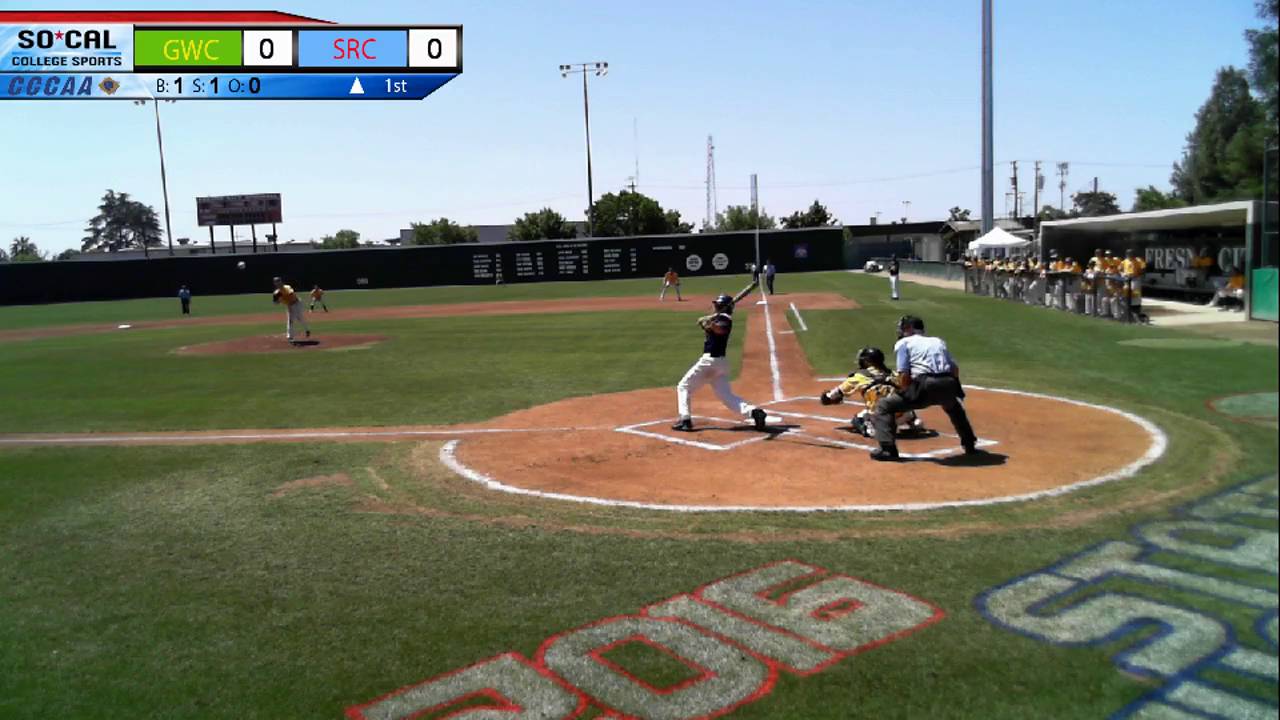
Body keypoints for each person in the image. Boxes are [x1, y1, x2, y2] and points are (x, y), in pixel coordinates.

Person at [868, 315, 978, 461]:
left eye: (903, 328)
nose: (900, 331)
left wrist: (906, 392)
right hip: (948, 382)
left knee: (884, 406)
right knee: (953, 407)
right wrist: (951, 390)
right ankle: (969, 444)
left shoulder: (904, 343)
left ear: (909, 328)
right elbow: (954, 369)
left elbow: (904, 374)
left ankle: (887, 449)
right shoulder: (938, 341)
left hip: (925, 384)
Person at [672, 293, 769, 432]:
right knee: (726, 396)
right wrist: (707, 323)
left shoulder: (725, 318)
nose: (715, 306)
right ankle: (754, 412)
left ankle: (685, 419)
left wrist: (708, 323)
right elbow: (712, 328)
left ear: (722, 306)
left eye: (717, 304)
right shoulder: (719, 317)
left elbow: (720, 329)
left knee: (683, 386)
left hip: (710, 362)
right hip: (719, 364)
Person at [820, 346, 923, 438]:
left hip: (881, 420)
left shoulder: (859, 377)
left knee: (858, 419)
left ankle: (870, 428)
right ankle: (913, 420)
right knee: (901, 399)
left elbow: (833, 396)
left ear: (868, 362)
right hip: (902, 416)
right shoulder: (894, 374)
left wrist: (826, 398)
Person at [272, 276, 311, 342]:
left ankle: (306, 330)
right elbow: (275, 303)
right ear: (274, 283)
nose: (278, 283)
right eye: (276, 282)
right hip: (289, 305)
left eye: (278, 281)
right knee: (290, 320)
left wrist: (282, 296)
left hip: (297, 304)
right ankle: (290, 336)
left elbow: (291, 294)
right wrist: (277, 300)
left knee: (299, 318)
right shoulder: (276, 293)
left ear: (281, 281)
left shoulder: (287, 287)